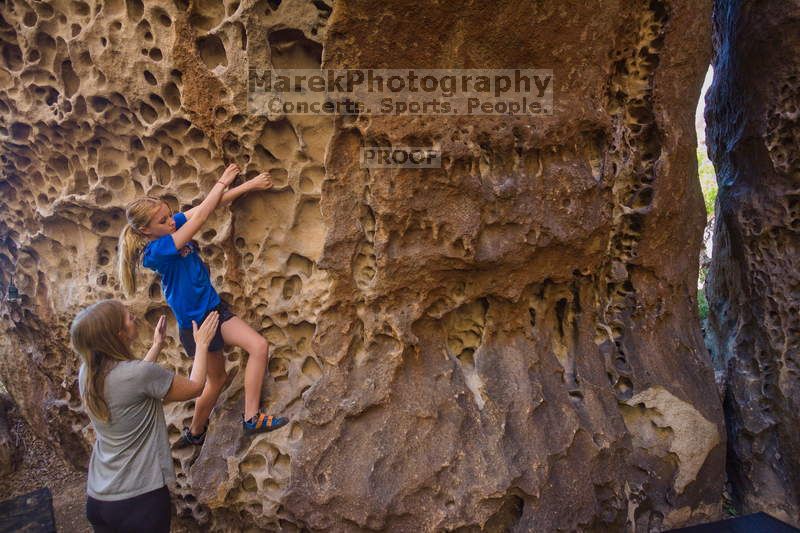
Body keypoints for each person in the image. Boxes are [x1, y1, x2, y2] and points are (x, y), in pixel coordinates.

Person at [116, 163, 288, 445]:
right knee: (215, 382)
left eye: (169, 215)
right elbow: (200, 219)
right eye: (162, 221)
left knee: (258, 346)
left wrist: (249, 186)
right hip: (196, 327)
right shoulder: (156, 251)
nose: (171, 221)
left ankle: (251, 417)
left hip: (215, 311)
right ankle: (196, 432)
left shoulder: (170, 230)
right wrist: (221, 180)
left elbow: (205, 207)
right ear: (146, 231)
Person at [71, 299, 218, 532]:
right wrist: (201, 344)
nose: (134, 319)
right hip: (138, 500)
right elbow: (195, 387)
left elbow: (131, 385)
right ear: (119, 335)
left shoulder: (87, 373)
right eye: (129, 318)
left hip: (100, 498)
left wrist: (157, 346)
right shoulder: (137, 375)